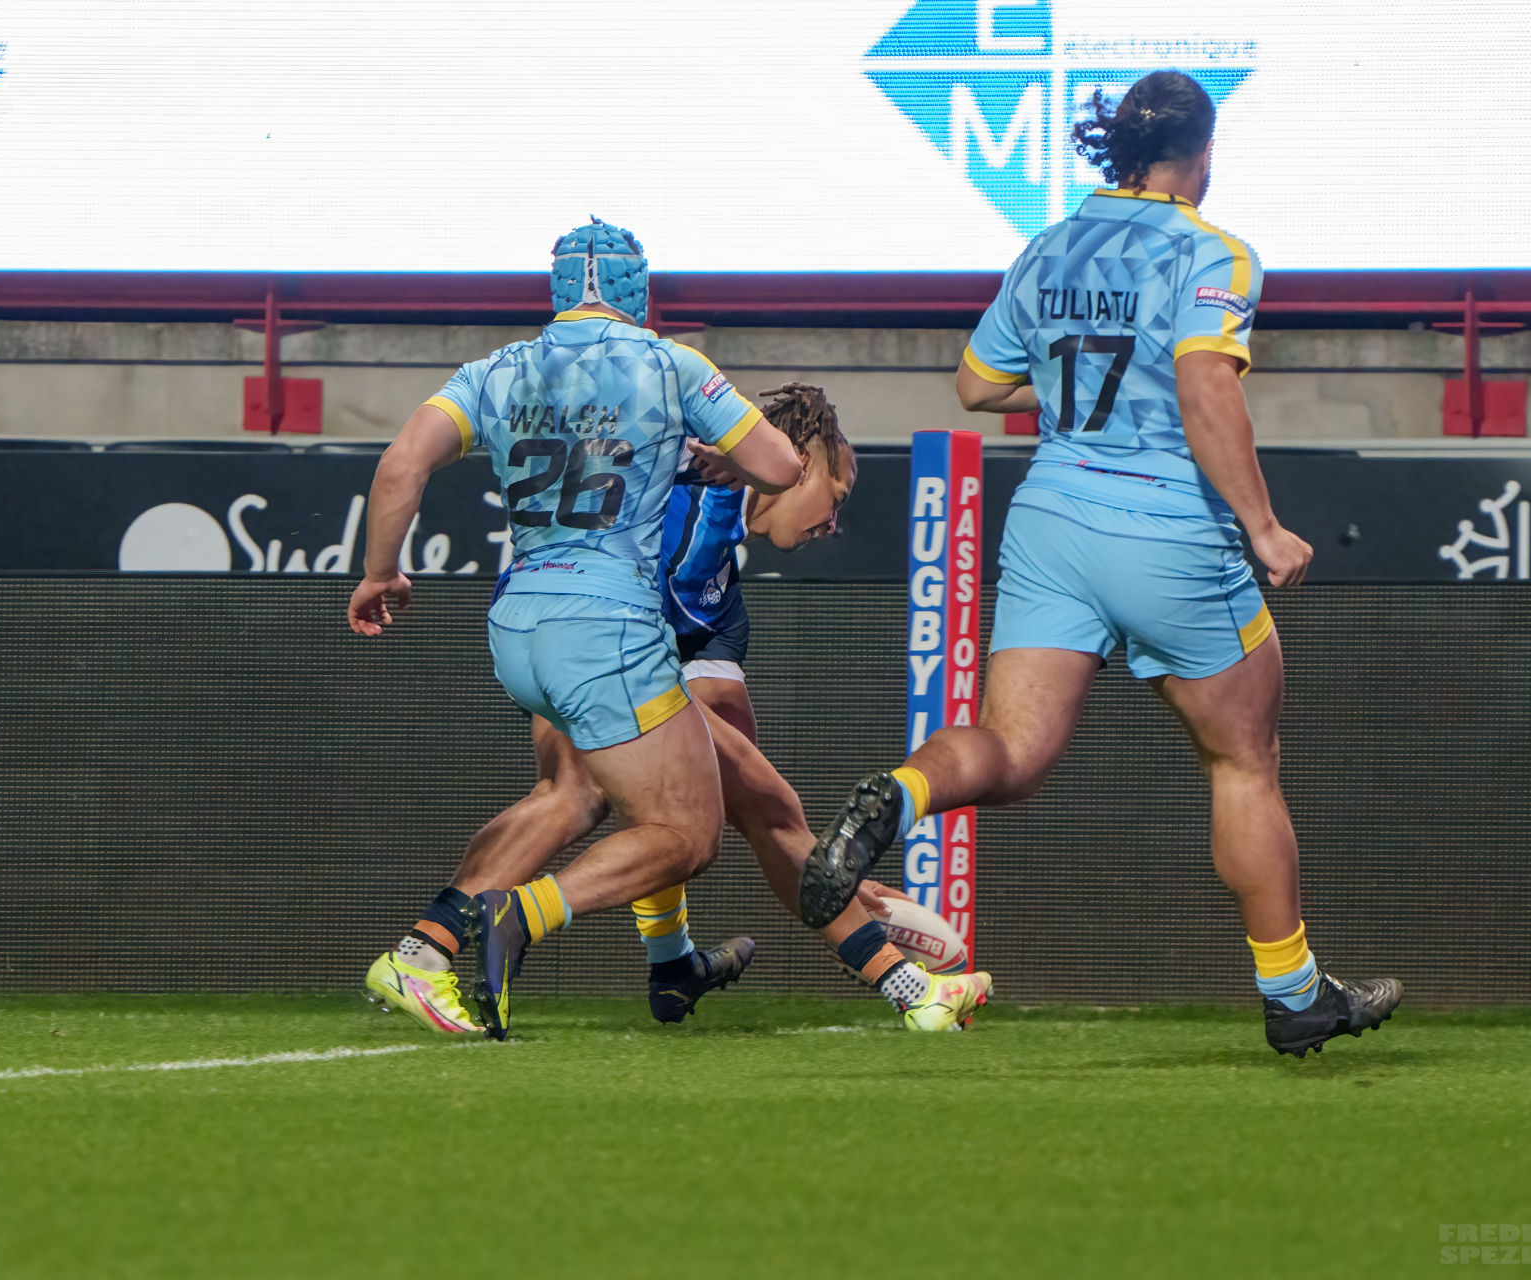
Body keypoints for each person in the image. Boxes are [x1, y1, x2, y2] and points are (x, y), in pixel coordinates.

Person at [797, 71, 1401, 1058]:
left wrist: (1073, 386)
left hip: (1051, 522)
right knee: (1243, 761)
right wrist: (1262, 525)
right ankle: (1295, 994)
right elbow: (1205, 387)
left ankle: (897, 796)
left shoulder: (1046, 248)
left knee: (1011, 750)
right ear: (1202, 153)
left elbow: (976, 384)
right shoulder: (1215, 252)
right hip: (1167, 531)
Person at [363, 383, 989, 1034]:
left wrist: (824, 880)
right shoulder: (689, 499)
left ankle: (438, 951)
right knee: (705, 809)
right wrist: (825, 877)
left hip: (541, 629)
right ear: (799, 462)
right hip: (573, 628)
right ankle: (910, 989)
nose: (833, 524)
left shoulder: (717, 573)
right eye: (836, 498)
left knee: (590, 795)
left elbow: (725, 753)